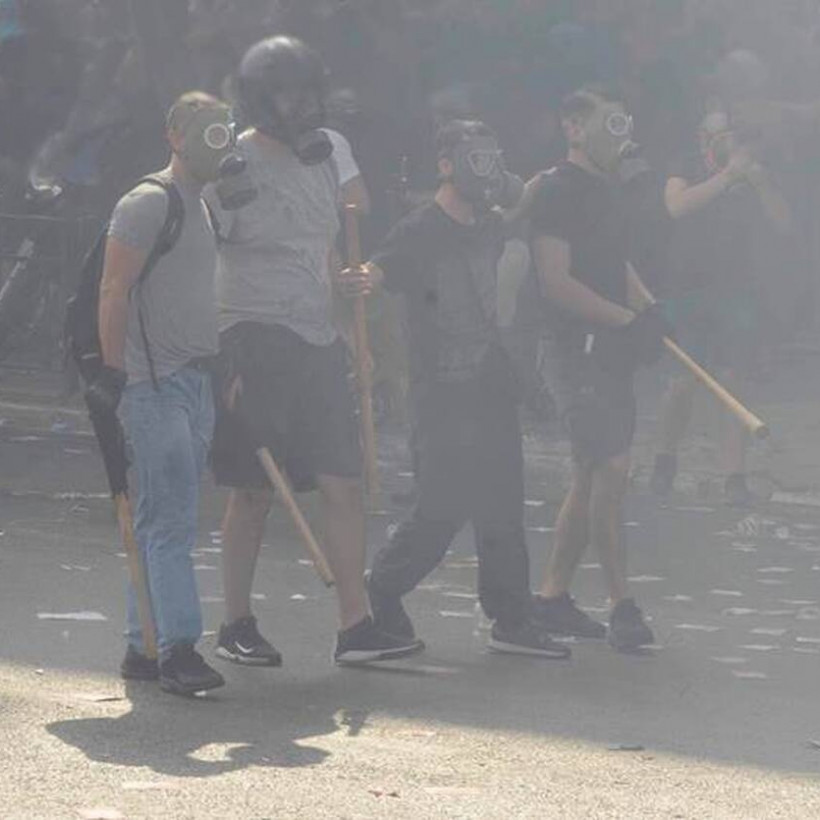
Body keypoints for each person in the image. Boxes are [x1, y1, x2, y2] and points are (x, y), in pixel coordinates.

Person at [208, 36, 423, 667]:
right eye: (286, 94)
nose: (300, 105)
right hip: (251, 335)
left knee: (343, 481)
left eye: (307, 92)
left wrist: (348, 315)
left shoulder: (330, 149)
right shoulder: (232, 165)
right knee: (253, 489)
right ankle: (235, 622)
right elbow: (205, 255)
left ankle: (355, 625)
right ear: (260, 98)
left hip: (316, 335)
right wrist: (220, 359)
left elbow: (335, 230)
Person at [359, 119, 570, 659]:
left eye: (490, 158)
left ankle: (511, 617)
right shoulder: (420, 230)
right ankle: (381, 589)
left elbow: (522, 203)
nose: (486, 169)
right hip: (442, 392)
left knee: (502, 506)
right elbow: (381, 268)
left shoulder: (492, 226)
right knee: (441, 507)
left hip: (492, 385)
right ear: (446, 164)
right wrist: (363, 280)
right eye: (476, 158)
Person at [91, 91, 233, 695]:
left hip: (194, 380)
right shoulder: (148, 202)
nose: (217, 140)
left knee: (159, 518)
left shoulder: (206, 205)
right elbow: (113, 289)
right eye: (203, 129)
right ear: (174, 135)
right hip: (152, 384)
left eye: (224, 129)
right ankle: (178, 647)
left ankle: (142, 642)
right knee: (171, 519)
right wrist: (114, 374)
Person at [529, 86, 670, 652]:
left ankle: (550, 598)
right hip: (573, 351)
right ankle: (622, 604)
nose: (620, 134)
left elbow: (615, 262)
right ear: (574, 128)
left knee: (591, 473)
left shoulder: (609, 191)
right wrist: (626, 320)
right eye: (608, 123)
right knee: (612, 467)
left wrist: (649, 311)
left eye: (623, 123)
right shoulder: (555, 190)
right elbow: (555, 281)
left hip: (609, 349)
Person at [650, 109, 792, 505]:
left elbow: (783, 224)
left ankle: (734, 476)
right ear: (703, 137)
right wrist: (727, 175)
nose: (730, 140)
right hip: (686, 289)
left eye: (734, 134)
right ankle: (664, 460)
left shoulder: (754, 171)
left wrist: (760, 183)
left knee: (734, 381)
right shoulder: (685, 166)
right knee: (682, 383)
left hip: (737, 290)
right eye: (721, 133)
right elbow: (676, 206)